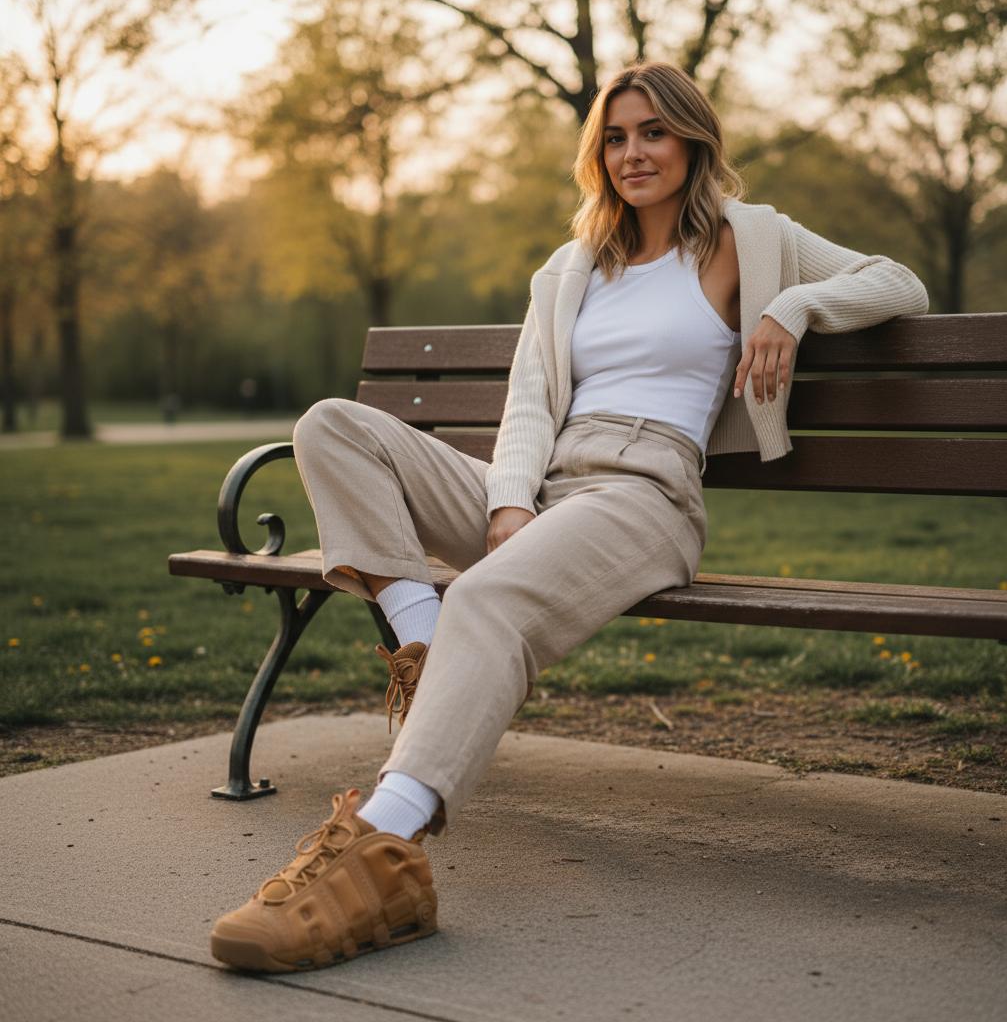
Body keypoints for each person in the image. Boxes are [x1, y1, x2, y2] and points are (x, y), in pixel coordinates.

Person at [209, 60, 929, 973]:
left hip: (643, 494)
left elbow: (898, 282)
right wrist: (507, 506)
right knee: (333, 428)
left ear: (693, 140)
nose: (635, 153)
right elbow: (527, 407)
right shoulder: (573, 266)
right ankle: (419, 640)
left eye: (654, 133)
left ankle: (381, 853)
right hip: (546, 483)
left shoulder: (752, 239)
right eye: (617, 137)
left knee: (488, 602)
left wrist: (791, 306)